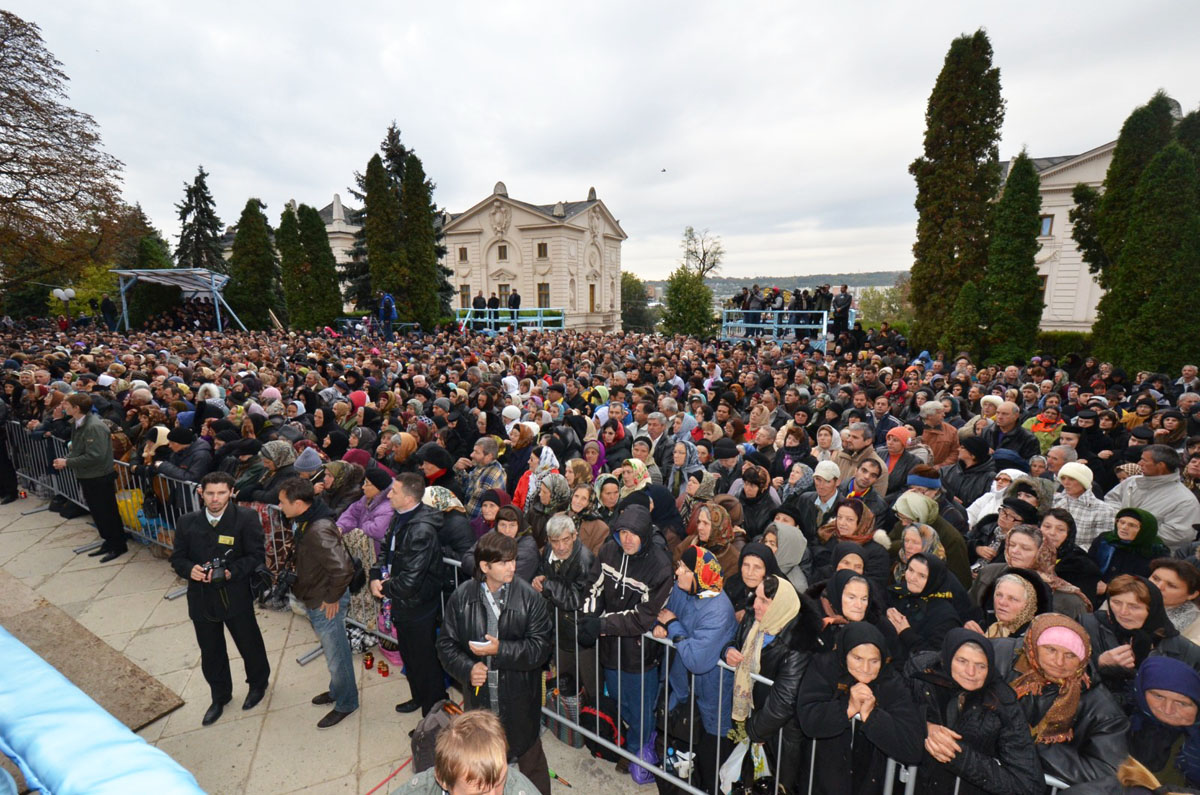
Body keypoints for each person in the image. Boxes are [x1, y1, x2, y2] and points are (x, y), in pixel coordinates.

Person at [438, 532, 554, 795]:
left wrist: (501, 650)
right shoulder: (461, 597)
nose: (512, 567)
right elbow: (445, 645)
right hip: (480, 704)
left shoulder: (529, 598)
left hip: (521, 700)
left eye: (513, 560)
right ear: (484, 567)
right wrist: (467, 669)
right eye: (503, 562)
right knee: (483, 772)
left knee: (531, 761)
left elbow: (541, 648)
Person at [170, 471, 271, 726]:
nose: (215, 499)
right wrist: (188, 569)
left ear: (231, 493)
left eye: (221, 493)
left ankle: (258, 684)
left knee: (249, 644)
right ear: (201, 493)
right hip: (201, 598)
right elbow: (178, 558)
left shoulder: (246, 518)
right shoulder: (186, 522)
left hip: (235, 595)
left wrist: (231, 572)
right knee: (211, 651)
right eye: (210, 493)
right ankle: (220, 696)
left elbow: (257, 555)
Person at [580, 504, 672, 784]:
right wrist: (588, 616)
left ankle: (635, 751)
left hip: (638, 653)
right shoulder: (609, 550)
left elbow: (642, 617)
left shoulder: (660, 566)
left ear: (645, 534)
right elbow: (593, 587)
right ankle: (633, 739)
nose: (627, 539)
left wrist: (602, 625)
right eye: (622, 532)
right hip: (610, 649)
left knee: (641, 707)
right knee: (619, 698)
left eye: (634, 534)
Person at [904, 628, 1042, 795]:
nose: (971, 672)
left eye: (980, 666)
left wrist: (957, 755)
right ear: (947, 658)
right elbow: (894, 708)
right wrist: (924, 725)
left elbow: (1029, 785)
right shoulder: (921, 672)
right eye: (962, 661)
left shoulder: (1002, 702)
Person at [998, 614, 1130, 788]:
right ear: (1033, 646)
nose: (1059, 662)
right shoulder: (1000, 658)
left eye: (1070, 655)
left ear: (1083, 659)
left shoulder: (1103, 710)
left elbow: (1108, 774)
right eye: (1051, 650)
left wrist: (1030, 744)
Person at [796, 621, 925, 795]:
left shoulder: (890, 681)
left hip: (869, 783)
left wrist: (873, 717)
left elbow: (912, 749)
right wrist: (847, 708)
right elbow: (808, 719)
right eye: (857, 658)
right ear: (844, 653)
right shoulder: (824, 667)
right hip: (822, 782)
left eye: (874, 661)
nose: (865, 669)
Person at [721, 573, 821, 794]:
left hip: (780, 734)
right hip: (750, 716)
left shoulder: (799, 641)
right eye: (756, 597)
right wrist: (727, 650)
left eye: (765, 601)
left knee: (775, 785)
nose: (755, 604)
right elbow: (736, 642)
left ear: (780, 606)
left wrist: (753, 732)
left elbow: (784, 701)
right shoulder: (752, 619)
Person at [654, 546, 738, 794]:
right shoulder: (685, 590)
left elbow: (696, 659)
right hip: (683, 691)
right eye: (679, 564)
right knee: (680, 757)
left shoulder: (719, 611)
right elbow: (666, 612)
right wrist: (662, 624)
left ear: (700, 575)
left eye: (684, 569)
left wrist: (672, 626)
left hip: (711, 701)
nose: (677, 571)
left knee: (708, 763)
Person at [277, 477, 358, 728]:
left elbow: (343, 569)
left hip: (325, 600)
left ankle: (346, 702)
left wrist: (332, 597)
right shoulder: (306, 521)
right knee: (333, 651)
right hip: (318, 594)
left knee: (337, 655)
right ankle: (337, 690)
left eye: (282, 503)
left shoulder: (318, 529)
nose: (280, 507)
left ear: (299, 503)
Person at [371, 472, 449, 717]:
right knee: (409, 655)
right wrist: (375, 574)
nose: (388, 494)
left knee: (424, 661)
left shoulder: (421, 529)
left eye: (394, 491)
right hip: (402, 601)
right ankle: (418, 697)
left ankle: (433, 714)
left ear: (407, 498)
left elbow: (410, 581)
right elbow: (386, 550)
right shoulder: (400, 516)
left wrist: (382, 588)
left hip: (417, 605)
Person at [1082, 575, 1200, 713]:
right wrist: (1098, 665)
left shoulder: (1186, 651)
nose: (1123, 612)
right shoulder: (1088, 626)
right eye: (1116, 602)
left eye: (1134, 606)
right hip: (1099, 717)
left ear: (1152, 609)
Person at [532, 513, 599, 700]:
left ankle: (594, 721)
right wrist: (538, 579)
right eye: (555, 541)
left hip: (581, 631)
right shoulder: (547, 551)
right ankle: (570, 722)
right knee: (566, 682)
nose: (561, 547)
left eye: (565, 540)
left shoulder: (584, 560)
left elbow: (576, 599)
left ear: (575, 535)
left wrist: (547, 586)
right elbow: (543, 573)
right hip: (559, 628)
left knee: (590, 683)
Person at [395, 709, 540, 794]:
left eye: (499, 782)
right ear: (442, 780)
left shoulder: (522, 790)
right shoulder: (421, 789)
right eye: (480, 793)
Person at [53, 393, 126, 561]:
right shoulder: (78, 423)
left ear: (77, 408)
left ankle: (117, 545)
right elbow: (79, 449)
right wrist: (67, 459)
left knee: (107, 512)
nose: (63, 406)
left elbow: (96, 456)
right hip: (88, 475)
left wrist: (67, 462)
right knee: (97, 512)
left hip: (99, 476)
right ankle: (108, 541)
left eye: (67, 404)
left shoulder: (94, 426)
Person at [1104, 444, 1200, 552]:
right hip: (1114, 547)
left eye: (1144, 460)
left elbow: (1178, 535)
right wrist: (1120, 521)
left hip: (1150, 555)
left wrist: (1135, 532)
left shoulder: (1185, 501)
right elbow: (1111, 500)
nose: (1139, 463)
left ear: (1161, 466)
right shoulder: (1131, 481)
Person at [1126, 656, 1200, 789]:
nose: (1167, 710)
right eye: (1158, 696)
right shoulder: (1116, 719)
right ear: (1141, 692)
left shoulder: (1194, 747)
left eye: (1182, 703)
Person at [1090, 508, 1171, 583]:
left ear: (1144, 530)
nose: (1124, 527)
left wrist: (1108, 589)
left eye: (1132, 525)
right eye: (1121, 522)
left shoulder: (1156, 551)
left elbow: (1152, 583)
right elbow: (1089, 566)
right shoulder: (1105, 540)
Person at [1150, 558, 1200, 632]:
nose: (1158, 587)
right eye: (1155, 579)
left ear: (1192, 595)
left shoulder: (1193, 625)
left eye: (1171, 585)